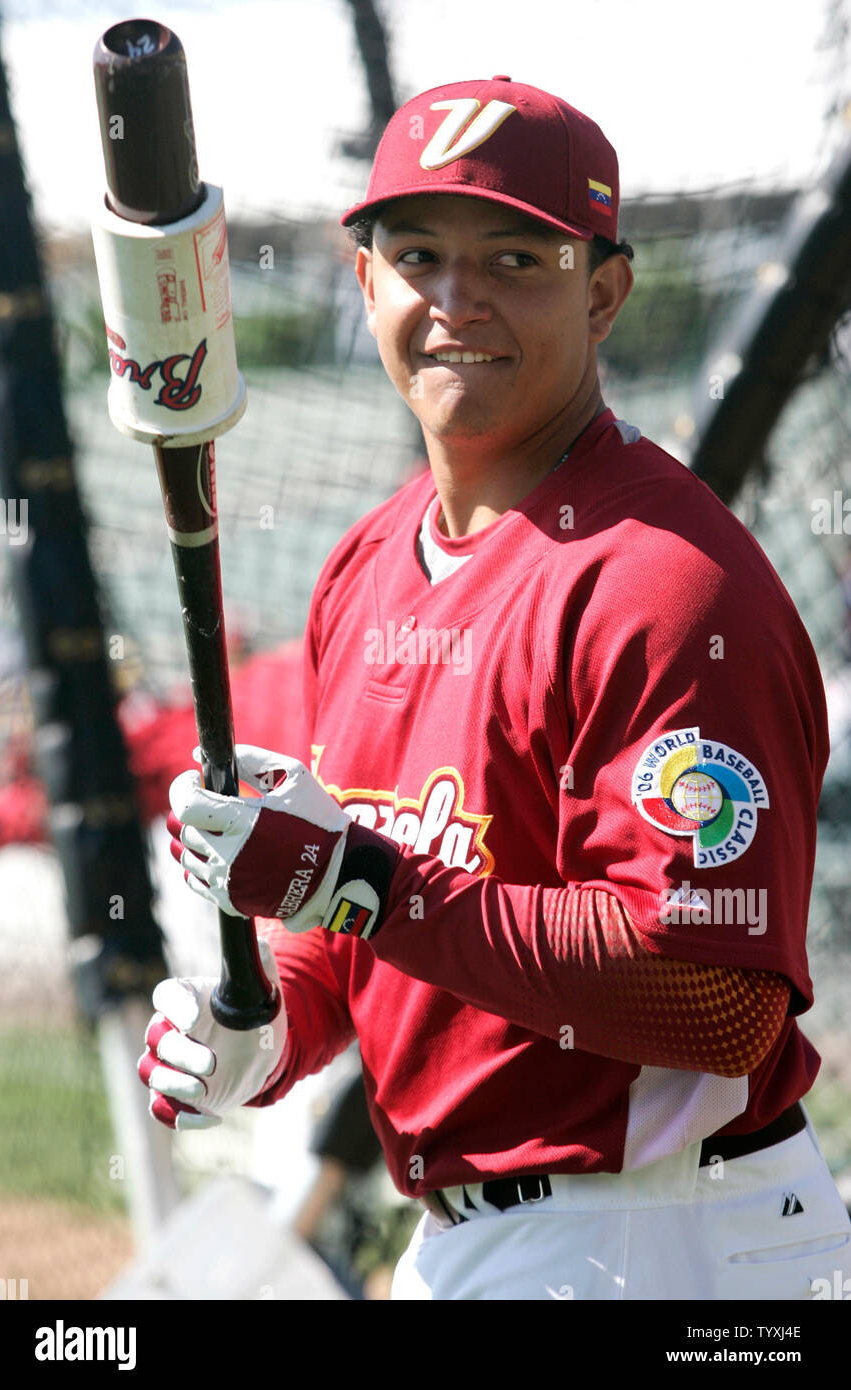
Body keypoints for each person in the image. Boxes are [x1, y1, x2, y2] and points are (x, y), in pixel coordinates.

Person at [138, 76, 851, 1300]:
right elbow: (377, 919)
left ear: (604, 293)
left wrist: (350, 880)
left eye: (515, 257)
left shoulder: (665, 588)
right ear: (364, 281)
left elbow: (720, 1004)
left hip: (666, 1236)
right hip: (489, 1232)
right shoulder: (363, 568)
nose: (454, 302)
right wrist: (268, 1022)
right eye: (416, 255)